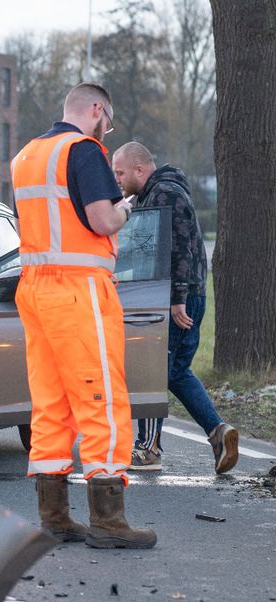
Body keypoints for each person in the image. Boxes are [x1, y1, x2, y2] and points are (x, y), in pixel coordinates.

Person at [11, 83, 156, 549]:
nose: (105, 130)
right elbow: (101, 221)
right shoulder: (85, 150)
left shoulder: (27, 155)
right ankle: (109, 522)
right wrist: (125, 211)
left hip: (34, 289)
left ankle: (53, 516)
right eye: (106, 122)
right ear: (96, 110)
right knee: (103, 398)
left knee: (51, 402)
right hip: (79, 288)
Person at [112, 142, 238, 475]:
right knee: (173, 371)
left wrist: (177, 297)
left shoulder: (166, 195)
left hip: (177, 297)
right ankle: (218, 433)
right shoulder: (155, 195)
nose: (117, 179)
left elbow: (180, 248)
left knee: (154, 372)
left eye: (120, 172)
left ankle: (149, 448)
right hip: (178, 294)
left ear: (140, 169)